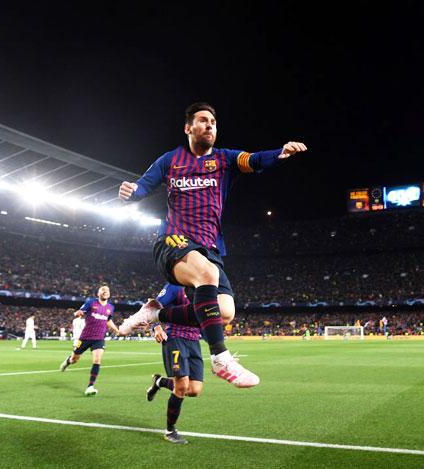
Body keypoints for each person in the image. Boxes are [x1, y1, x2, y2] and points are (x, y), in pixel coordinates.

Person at [118, 102, 307, 388]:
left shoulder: (225, 159)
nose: (209, 125)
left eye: (213, 122)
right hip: (173, 241)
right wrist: (131, 192)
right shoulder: (170, 161)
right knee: (207, 274)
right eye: (203, 120)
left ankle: (155, 313)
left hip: (210, 248)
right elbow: (143, 187)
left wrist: (279, 153)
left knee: (225, 312)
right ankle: (221, 358)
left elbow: (253, 160)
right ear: (188, 127)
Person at [146, 283, 203, 445]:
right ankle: (170, 430)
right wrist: (156, 327)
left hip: (194, 341)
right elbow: (152, 307)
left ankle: (160, 381)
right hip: (175, 337)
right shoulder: (175, 286)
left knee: (194, 390)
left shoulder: (203, 288)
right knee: (182, 385)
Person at [59, 285, 120, 396]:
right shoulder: (91, 302)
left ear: (109, 294)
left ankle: (90, 386)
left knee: (97, 360)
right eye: (103, 290)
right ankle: (68, 361)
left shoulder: (111, 307)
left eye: (107, 290)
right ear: (98, 293)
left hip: (99, 338)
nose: (105, 291)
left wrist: (116, 330)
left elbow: (108, 320)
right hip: (85, 337)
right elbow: (81, 311)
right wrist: (78, 313)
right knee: (74, 359)